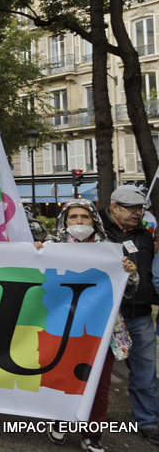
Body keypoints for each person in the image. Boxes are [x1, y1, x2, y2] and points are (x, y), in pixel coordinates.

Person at [46, 199, 137, 452]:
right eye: (73, 217)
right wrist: (35, 252)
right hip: (63, 328)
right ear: (64, 221)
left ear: (94, 221)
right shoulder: (52, 248)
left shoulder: (111, 250)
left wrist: (130, 272)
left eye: (84, 217)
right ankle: (61, 422)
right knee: (61, 378)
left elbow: (129, 290)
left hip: (102, 331)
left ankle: (92, 434)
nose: (78, 222)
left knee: (100, 385)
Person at [101, 185, 159, 444]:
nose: (138, 213)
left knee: (145, 371)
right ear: (114, 207)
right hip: (107, 317)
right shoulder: (99, 231)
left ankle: (148, 421)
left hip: (140, 314)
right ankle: (85, 420)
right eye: (131, 208)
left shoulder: (144, 235)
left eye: (140, 208)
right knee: (97, 371)